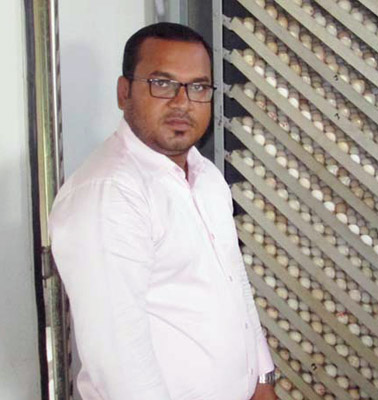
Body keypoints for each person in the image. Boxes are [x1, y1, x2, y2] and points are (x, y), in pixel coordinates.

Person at [49, 23, 277, 400]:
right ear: (124, 92)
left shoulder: (205, 176)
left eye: (198, 87)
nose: (182, 102)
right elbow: (119, 361)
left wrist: (262, 377)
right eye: (163, 83)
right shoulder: (110, 194)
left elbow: (234, 283)